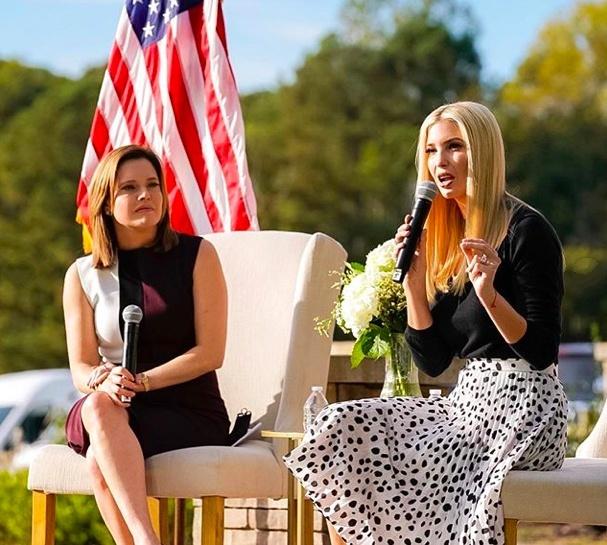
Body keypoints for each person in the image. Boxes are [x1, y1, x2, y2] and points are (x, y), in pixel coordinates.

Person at [284, 101, 568, 545]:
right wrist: (414, 287)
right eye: (432, 151)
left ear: (482, 152)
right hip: (469, 402)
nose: (440, 162)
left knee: (425, 461)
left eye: (454, 147)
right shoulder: (446, 234)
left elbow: (541, 350)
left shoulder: (527, 230)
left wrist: (490, 295)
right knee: (339, 426)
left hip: (527, 409)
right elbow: (433, 361)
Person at [63, 145, 230, 545]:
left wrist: (143, 381)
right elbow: (81, 368)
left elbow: (211, 353)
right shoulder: (82, 274)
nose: (145, 195)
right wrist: (103, 380)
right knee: (99, 407)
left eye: (153, 185)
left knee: (99, 457)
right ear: (105, 203)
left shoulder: (198, 255)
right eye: (129, 188)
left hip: (187, 408)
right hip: (111, 406)